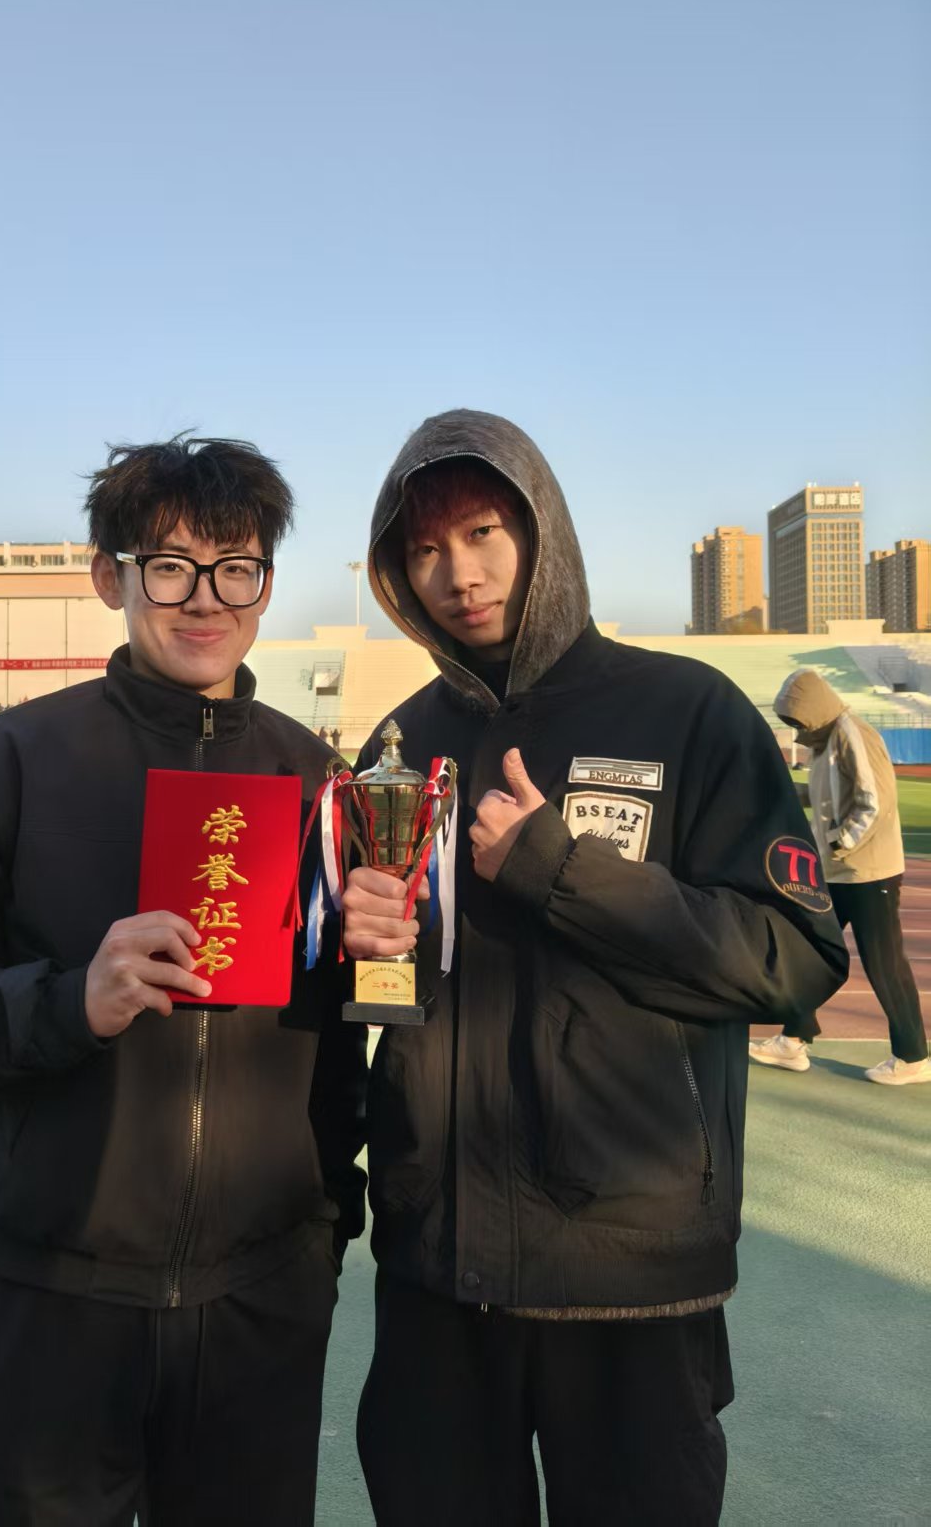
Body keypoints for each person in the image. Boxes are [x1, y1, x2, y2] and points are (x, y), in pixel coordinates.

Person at [340, 409, 848, 1527]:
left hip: (629, 1270)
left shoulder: (687, 711)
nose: (458, 575)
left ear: (543, 533)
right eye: (423, 549)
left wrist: (557, 868)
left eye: (482, 532)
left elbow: (792, 955)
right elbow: (382, 993)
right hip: (438, 1267)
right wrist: (361, 943)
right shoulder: (400, 743)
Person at [0, 435, 366, 1527]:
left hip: (261, 1301)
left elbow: (344, 1038)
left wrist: (324, 1230)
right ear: (110, 576)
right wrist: (67, 1002)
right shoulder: (0, 768)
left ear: (266, 584)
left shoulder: (321, 784)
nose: (205, 598)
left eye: (236, 568)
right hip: (52, 1295)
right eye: (170, 566)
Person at [750, 669, 928, 1085]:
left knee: (884, 964)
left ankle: (912, 1057)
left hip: (868, 873)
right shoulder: (826, 741)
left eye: (797, 720)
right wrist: (780, 792)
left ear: (813, 708)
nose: (796, 730)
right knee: (810, 951)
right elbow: (823, 798)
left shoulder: (852, 733)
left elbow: (874, 801)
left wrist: (836, 843)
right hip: (839, 871)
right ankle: (794, 1039)